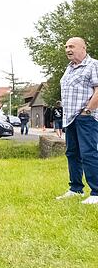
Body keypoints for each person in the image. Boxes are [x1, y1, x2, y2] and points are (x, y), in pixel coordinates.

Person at [56, 37, 98, 204]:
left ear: (83, 48)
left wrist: (87, 111)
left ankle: (96, 192)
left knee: (89, 153)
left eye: (71, 46)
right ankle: (75, 189)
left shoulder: (93, 65)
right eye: (66, 46)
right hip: (70, 118)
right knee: (72, 153)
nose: (68, 49)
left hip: (86, 117)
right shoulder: (70, 68)